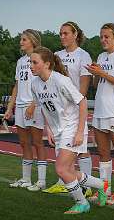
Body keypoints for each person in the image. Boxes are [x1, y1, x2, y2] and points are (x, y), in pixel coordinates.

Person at [30, 46, 108, 214]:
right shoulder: (35, 84)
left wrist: (80, 132)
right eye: (31, 61)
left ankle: (82, 203)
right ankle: (102, 185)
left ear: (47, 64)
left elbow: (82, 102)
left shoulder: (60, 80)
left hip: (72, 127)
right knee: (70, 171)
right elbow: (45, 109)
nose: (31, 65)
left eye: (35, 62)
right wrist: (49, 130)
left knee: (61, 169)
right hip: (58, 131)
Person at [43, 21, 93, 197]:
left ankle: (87, 187)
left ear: (75, 35)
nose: (62, 36)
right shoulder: (56, 55)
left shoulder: (83, 56)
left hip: (75, 109)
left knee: (81, 149)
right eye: (61, 33)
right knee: (61, 148)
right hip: (59, 110)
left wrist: (73, 106)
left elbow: (83, 88)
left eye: (66, 33)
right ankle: (62, 182)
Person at [85, 23, 114, 205]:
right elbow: (98, 84)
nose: (103, 40)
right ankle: (105, 191)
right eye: (101, 37)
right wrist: (95, 73)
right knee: (103, 153)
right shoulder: (102, 56)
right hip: (100, 110)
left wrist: (102, 73)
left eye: (107, 36)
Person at [4, 29, 47, 191]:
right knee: (24, 143)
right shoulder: (20, 61)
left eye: (24, 39)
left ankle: (41, 180)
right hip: (20, 107)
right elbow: (16, 86)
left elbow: (43, 84)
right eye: (21, 39)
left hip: (33, 106)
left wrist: (33, 104)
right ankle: (26, 179)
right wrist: (10, 108)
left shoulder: (39, 59)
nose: (21, 42)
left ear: (33, 41)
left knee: (37, 143)